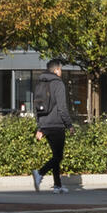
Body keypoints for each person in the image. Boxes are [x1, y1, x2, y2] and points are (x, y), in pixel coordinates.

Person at [29, 59, 74, 193]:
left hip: (45, 125)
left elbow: (37, 108)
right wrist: (69, 124)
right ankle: (39, 173)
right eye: (60, 69)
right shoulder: (58, 84)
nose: (61, 71)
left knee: (55, 155)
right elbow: (62, 107)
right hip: (57, 124)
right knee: (58, 157)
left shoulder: (40, 83)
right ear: (56, 70)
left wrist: (40, 127)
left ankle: (57, 185)